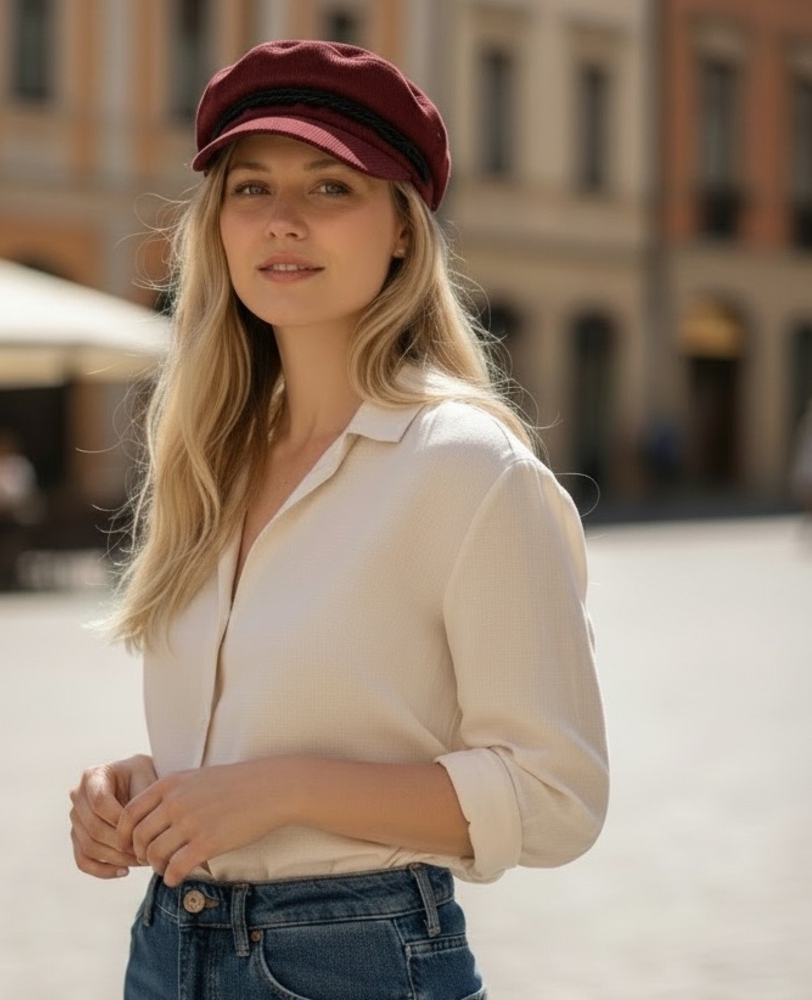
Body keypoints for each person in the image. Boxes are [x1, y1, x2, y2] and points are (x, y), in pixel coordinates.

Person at [69, 39, 608, 999]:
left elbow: (557, 797)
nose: (281, 221)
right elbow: (288, 726)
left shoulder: (469, 470)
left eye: (330, 188)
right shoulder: (213, 460)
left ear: (402, 228)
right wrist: (151, 790)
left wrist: (283, 790)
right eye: (249, 188)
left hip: (355, 961)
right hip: (168, 948)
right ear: (217, 226)